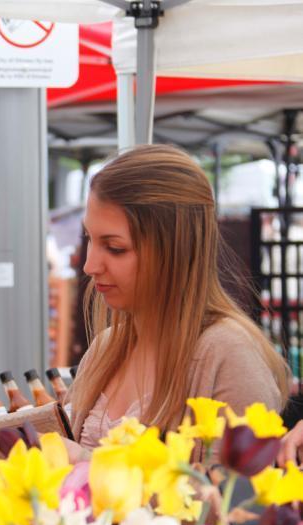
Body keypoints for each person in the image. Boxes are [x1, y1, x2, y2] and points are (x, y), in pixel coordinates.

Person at [61, 144, 287, 463]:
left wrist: (85, 466)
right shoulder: (105, 348)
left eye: (114, 248)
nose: (90, 265)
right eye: (90, 239)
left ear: (174, 252)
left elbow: (237, 502)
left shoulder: (228, 355)